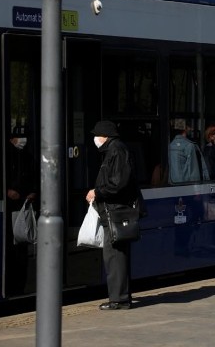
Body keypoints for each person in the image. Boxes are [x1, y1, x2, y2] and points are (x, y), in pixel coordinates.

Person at [85, 120, 139, 310]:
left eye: (96, 135)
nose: (95, 139)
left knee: (114, 255)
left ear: (104, 136)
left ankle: (119, 300)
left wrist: (97, 193)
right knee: (117, 255)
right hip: (114, 210)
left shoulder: (116, 151)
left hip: (115, 211)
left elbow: (118, 183)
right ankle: (121, 297)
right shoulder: (115, 150)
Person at [5, 125, 37, 295]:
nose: (22, 141)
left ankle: (20, 286)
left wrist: (32, 192)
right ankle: (14, 285)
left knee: (21, 249)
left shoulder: (26, 157)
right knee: (13, 250)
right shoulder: (5, 155)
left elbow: (33, 178)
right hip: (10, 209)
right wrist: (6, 191)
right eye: (18, 138)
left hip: (23, 207)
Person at [168, 119, 208, 183]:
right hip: (186, 187)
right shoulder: (189, 146)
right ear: (185, 129)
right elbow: (194, 173)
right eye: (189, 126)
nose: (191, 129)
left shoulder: (170, 145)